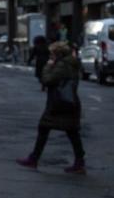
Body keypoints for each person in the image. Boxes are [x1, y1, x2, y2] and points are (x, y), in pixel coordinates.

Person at [17, 40, 85, 174]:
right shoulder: (70, 63)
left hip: (59, 104)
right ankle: (79, 162)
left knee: (47, 128)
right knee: (70, 132)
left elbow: (47, 80)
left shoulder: (62, 65)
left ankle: (34, 159)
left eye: (52, 53)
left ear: (58, 53)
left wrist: (48, 66)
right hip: (68, 103)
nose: (50, 56)